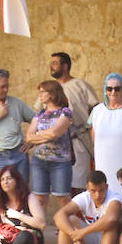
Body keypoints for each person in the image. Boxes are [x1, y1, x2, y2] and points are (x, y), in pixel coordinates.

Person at [49, 169, 122, 244]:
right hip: (92, 242)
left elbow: (111, 219)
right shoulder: (84, 197)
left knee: (110, 225)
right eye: (93, 191)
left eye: (101, 190)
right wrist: (75, 236)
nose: (97, 195)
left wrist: (82, 233)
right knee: (69, 220)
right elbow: (59, 216)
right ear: (87, 188)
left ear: (107, 187)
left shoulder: (114, 198)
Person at [45, 52, 99, 194]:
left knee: (80, 182)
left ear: (65, 66)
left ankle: (82, 215)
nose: (51, 66)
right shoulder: (49, 89)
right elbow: (40, 113)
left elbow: (96, 108)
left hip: (78, 139)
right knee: (62, 185)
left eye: (55, 63)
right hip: (57, 142)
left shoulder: (80, 85)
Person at [26, 79, 74, 217]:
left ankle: (71, 232)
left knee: (63, 198)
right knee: (39, 199)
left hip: (60, 162)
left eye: (42, 92)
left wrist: (39, 135)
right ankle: (38, 233)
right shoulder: (40, 114)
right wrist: (46, 135)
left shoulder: (65, 112)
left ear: (52, 93)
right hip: (39, 161)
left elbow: (56, 133)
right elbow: (28, 137)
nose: (40, 95)